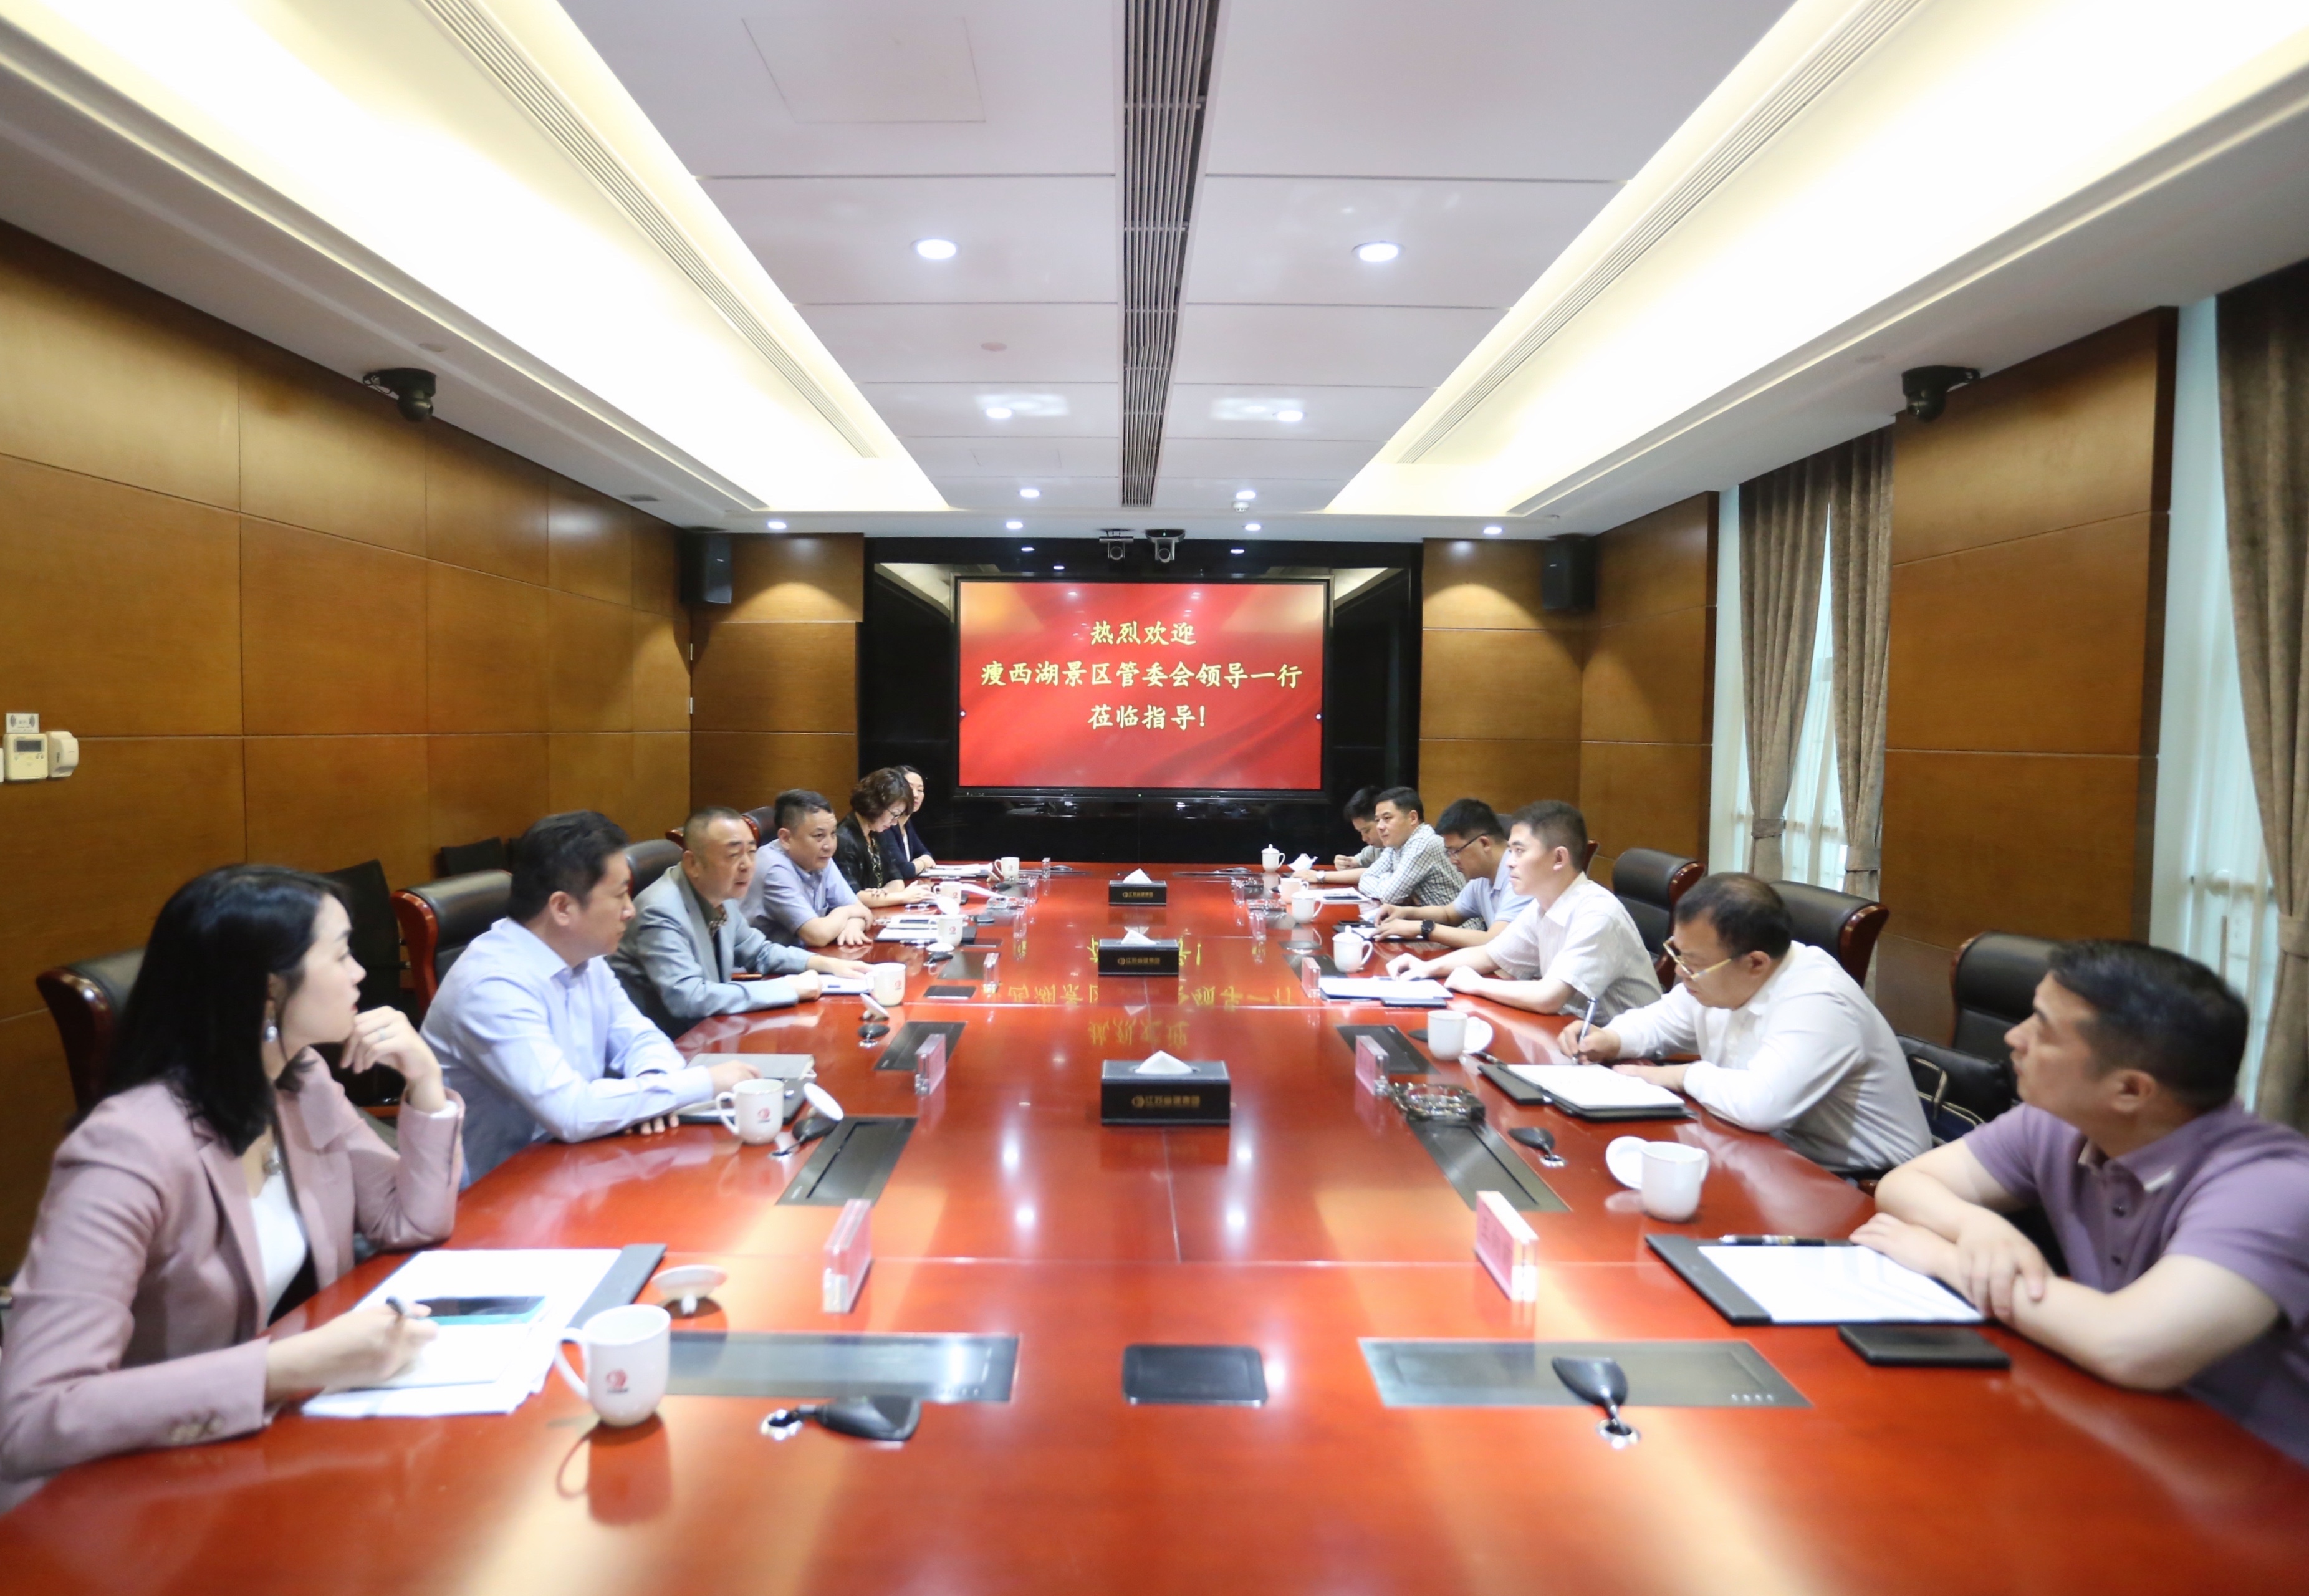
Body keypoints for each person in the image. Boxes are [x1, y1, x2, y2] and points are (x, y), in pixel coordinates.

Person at [0, 867, 463, 1501]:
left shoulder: (299, 1081)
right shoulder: (127, 1147)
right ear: (269, 987)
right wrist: (288, 1367)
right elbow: (33, 1416)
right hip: (127, 1489)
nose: (361, 972)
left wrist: (426, 1081)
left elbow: (408, 1221)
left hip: (254, 1453)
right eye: (340, 954)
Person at [1856, 941, 2309, 1466]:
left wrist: (1946, 1260)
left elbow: (2129, 1346)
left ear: (2131, 1090)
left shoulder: (2271, 1187)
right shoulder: (2059, 1122)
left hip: (2260, 1476)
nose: (2014, 1037)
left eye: (2044, 1030)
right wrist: (1977, 1227)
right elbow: (1907, 1183)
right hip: (2127, 1431)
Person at [425, 811, 759, 1185]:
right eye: (619, 895)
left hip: (572, 1165)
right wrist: (702, 1083)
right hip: (494, 1191)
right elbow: (570, 1111)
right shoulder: (493, 986)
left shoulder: (584, 956)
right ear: (562, 908)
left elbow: (640, 1037)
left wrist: (655, 1087)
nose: (630, 910)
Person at [1563, 872, 1929, 1173]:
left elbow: (1760, 1104)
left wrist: (1679, 1076)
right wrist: (1611, 1038)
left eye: (1693, 963)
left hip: (1861, 1181)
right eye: (1678, 953)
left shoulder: (1820, 999)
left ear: (1755, 963)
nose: (1681, 971)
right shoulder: (1719, 976)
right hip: (1766, 1149)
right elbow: (1663, 1020)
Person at [610, 806, 875, 1037]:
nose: (748, 865)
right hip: (674, 1044)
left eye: (751, 852)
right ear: (693, 864)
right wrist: (786, 988)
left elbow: (759, 951)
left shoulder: (719, 891)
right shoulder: (660, 910)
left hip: (715, 1029)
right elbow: (689, 998)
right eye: (733, 855)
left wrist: (826, 964)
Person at [1389, 801, 1659, 1021]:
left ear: (1559, 858)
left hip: (1634, 1056)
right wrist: (1426, 968)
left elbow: (1549, 997)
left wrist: (1476, 984)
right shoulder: (1543, 905)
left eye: (1519, 851)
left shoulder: (1597, 913)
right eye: (1510, 851)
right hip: (1574, 1033)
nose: (1509, 863)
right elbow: (1490, 954)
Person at [1376, 797, 1529, 950]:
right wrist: (1405, 912)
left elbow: (1494, 941)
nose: (1452, 860)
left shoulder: (1520, 876)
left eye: (1456, 851)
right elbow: (1448, 915)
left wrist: (1423, 928)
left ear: (1484, 843)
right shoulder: (1481, 877)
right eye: (1448, 852)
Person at [743, 789, 876, 948]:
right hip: (767, 963)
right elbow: (817, 936)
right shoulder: (774, 869)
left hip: (805, 956)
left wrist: (852, 927)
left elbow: (860, 909)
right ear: (786, 838)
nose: (830, 846)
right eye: (819, 836)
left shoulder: (819, 858)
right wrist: (845, 913)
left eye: (833, 833)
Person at [835, 769, 936, 910]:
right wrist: (903, 897)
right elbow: (852, 897)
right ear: (875, 803)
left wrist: (881, 895)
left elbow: (897, 879)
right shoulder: (844, 839)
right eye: (894, 815)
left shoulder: (877, 833)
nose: (895, 823)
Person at [1348, 786, 1462, 909]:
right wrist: (1393, 883)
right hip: (1426, 918)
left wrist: (1387, 878)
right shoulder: (1396, 844)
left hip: (1456, 921)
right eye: (1378, 820)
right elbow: (1366, 879)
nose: (1380, 826)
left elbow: (1389, 896)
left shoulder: (1423, 842)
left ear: (1413, 818)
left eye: (1387, 818)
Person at [1297, 788, 1382, 887]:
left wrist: (1320, 876)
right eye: (1361, 832)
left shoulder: (1395, 847)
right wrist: (1346, 863)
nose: (1364, 838)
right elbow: (1357, 861)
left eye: (1366, 831)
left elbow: (1372, 873)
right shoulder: (1377, 849)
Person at [888, 766, 935, 876]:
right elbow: (904, 870)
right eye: (909, 788)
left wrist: (918, 863)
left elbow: (925, 853)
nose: (916, 795)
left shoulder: (907, 823)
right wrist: (923, 863)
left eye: (920, 790)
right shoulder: (886, 825)